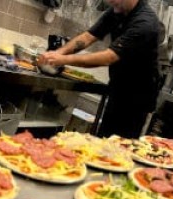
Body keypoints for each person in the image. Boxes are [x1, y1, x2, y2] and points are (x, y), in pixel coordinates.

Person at [38, 0, 160, 139]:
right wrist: (59, 53)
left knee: (119, 144)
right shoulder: (119, 9)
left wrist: (63, 60)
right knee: (105, 138)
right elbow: (88, 36)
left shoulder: (145, 24)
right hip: (119, 86)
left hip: (137, 97)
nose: (111, 3)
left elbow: (108, 57)